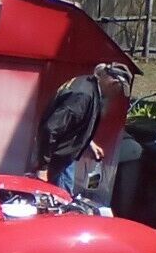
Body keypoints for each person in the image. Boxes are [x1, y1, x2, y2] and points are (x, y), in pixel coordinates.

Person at [36, 63, 134, 194]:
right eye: (119, 90)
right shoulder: (82, 97)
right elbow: (51, 128)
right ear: (114, 84)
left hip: (65, 156)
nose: (117, 95)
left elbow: (73, 122)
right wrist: (43, 167)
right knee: (60, 201)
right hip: (57, 160)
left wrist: (89, 143)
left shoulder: (88, 84)